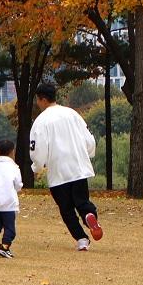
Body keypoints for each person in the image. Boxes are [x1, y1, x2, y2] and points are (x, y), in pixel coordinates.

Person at [30, 81, 103, 251]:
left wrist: (37, 167)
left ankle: (82, 239)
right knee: (82, 201)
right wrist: (87, 154)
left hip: (58, 171)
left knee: (66, 209)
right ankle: (89, 216)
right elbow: (89, 139)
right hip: (78, 167)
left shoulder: (41, 121)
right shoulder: (72, 114)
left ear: (42, 99)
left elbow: (37, 148)